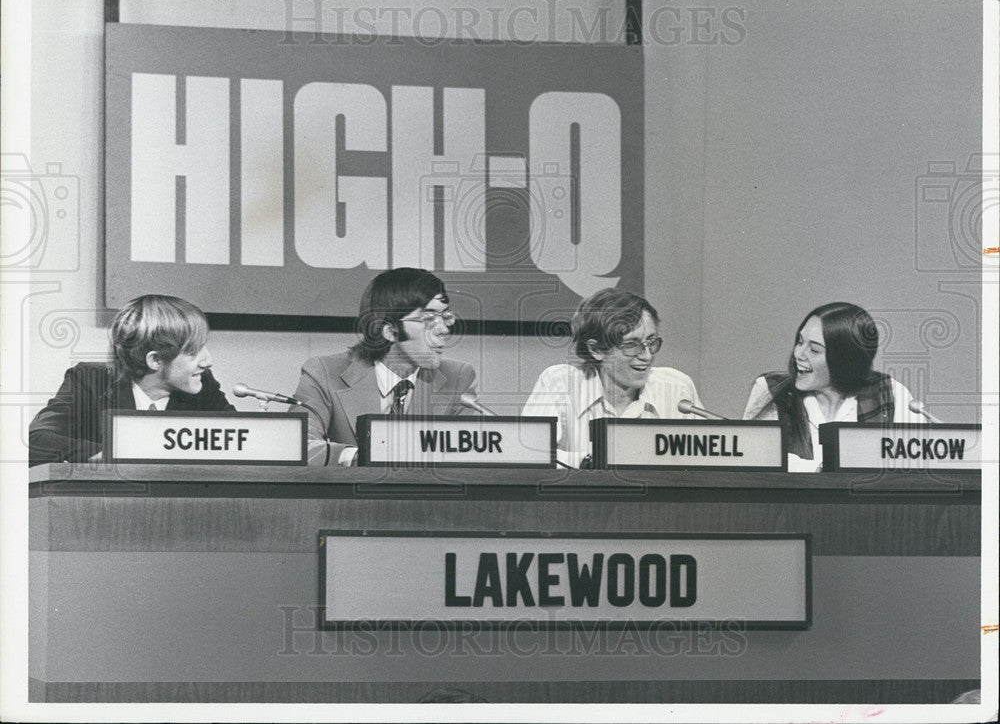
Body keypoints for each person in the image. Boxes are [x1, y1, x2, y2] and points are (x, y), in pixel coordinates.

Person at [294, 267, 478, 466]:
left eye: (445, 316)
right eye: (428, 318)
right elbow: (298, 445)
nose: (444, 329)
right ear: (390, 331)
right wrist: (361, 458)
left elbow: (468, 457)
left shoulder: (458, 377)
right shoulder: (324, 372)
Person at [28, 294, 233, 466]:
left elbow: (240, 448)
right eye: (193, 352)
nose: (208, 361)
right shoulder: (88, 380)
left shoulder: (203, 384)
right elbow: (35, 441)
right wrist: (105, 455)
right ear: (155, 360)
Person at [522, 288, 703, 468]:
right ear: (596, 349)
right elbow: (529, 453)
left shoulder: (676, 386)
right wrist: (588, 461)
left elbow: (706, 459)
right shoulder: (560, 383)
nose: (647, 356)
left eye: (651, 342)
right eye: (632, 345)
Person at [743, 301, 920, 472]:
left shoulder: (891, 393)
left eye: (814, 349)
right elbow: (756, 461)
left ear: (845, 360)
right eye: (800, 341)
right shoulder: (771, 391)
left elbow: (917, 464)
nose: (798, 354)